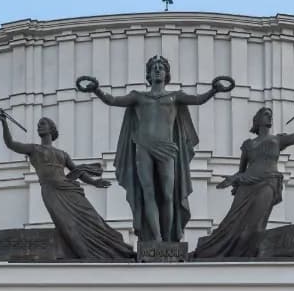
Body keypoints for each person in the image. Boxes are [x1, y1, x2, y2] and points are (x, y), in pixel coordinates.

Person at [79, 55, 233, 243]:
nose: (158, 69)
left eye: (161, 67)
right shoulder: (138, 96)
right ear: (149, 74)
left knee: (168, 194)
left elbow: (198, 100)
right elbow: (112, 101)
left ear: (167, 73)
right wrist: (96, 90)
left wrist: (214, 90)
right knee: (148, 193)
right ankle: (157, 239)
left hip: (167, 149)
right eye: (154, 67)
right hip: (143, 147)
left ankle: (168, 239)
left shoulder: (175, 96)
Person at [194, 96, 294, 259]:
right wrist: (231, 180)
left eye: (270, 114)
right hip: (246, 185)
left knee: (255, 225)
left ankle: (249, 254)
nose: (269, 116)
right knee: (233, 222)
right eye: (265, 114)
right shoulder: (248, 144)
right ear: (257, 120)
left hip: (268, 182)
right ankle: (226, 253)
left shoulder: (278, 139)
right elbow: (241, 170)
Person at [0, 113, 134, 260]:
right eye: (38, 124)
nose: (39, 126)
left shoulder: (62, 154)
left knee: (94, 219)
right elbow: (11, 144)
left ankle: (119, 251)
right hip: (52, 192)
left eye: (43, 123)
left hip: (69, 189)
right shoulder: (34, 149)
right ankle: (87, 255)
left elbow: (78, 172)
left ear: (51, 128)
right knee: (68, 227)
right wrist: (4, 123)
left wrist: (94, 182)